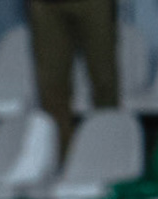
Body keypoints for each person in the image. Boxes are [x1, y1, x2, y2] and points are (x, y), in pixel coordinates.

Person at [26, 0, 116, 157]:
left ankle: (109, 153)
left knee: (104, 81)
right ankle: (63, 161)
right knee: (52, 88)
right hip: (46, 5)